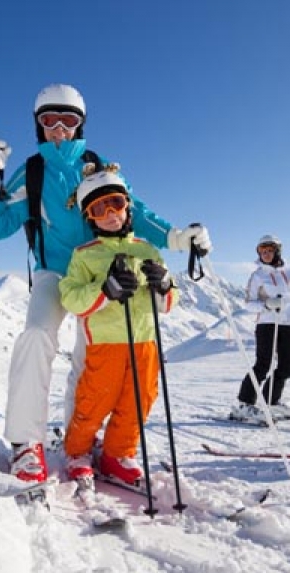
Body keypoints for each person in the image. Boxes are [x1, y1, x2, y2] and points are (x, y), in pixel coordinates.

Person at [0, 83, 212, 483]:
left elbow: (132, 210)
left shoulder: (97, 163)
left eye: (69, 120)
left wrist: (175, 238)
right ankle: (26, 443)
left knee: (92, 359)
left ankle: (79, 444)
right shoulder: (32, 171)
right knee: (36, 335)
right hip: (55, 273)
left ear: (81, 124)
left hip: (104, 274)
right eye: (49, 120)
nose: (59, 129)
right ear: (38, 125)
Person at [58, 168, 178, 488]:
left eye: (115, 203)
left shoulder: (147, 250)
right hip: (107, 342)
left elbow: (167, 304)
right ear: (89, 217)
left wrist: (164, 285)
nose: (110, 214)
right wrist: (105, 290)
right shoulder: (84, 256)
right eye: (99, 209)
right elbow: (71, 298)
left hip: (145, 341)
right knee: (96, 399)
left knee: (139, 401)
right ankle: (78, 452)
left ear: (127, 206)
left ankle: (117, 454)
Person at [229, 234, 290, 424]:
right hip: (267, 323)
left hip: (288, 324)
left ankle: (271, 401)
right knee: (263, 365)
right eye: (262, 251)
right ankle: (245, 403)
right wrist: (266, 305)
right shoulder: (258, 275)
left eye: (269, 250)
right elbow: (248, 303)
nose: (265, 254)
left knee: (285, 367)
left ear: (277, 251)